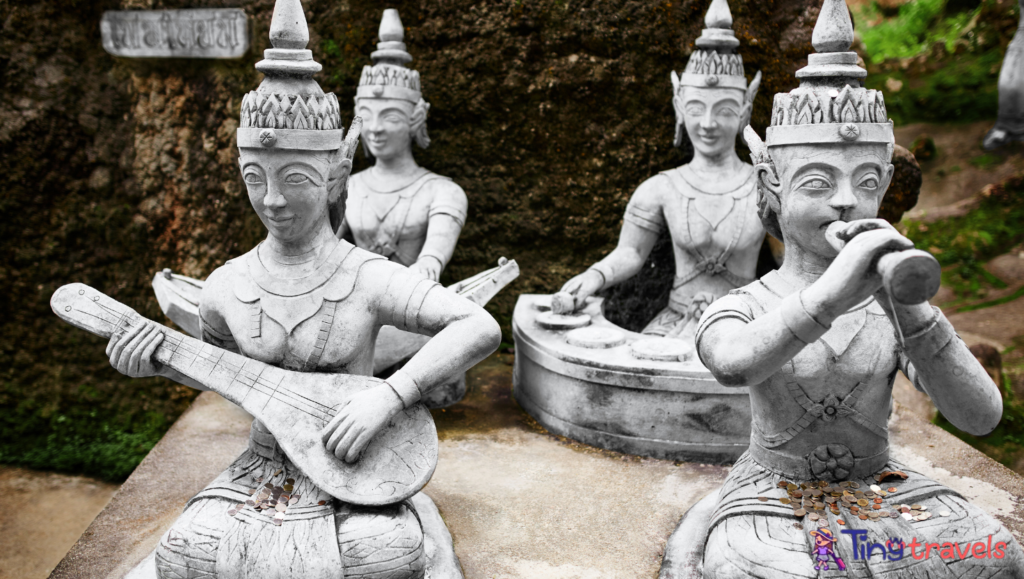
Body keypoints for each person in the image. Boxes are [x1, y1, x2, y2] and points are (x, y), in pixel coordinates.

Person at [105, 1, 499, 576]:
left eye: (296, 179)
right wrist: (158, 364)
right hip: (262, 468)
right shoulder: (225, 285)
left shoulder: (365, 275)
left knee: (388, 555)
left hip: (354, 467)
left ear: (336, 172)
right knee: (182, 553)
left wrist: (390, 396)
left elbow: (479, 325)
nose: (274, 201)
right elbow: (229, 374)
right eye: (255, 178)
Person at [664, 1, 1024, 576]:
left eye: (865, 182)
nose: (844, 202)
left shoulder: (893, 306)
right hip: (775, 496)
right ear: (773, 186)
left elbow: (981, 417)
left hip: (883, 485)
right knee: (761, 571)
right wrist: (829, 296)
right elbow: (733, 364)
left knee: (996, 555)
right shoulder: (749, 304)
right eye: (817, 181)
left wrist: (911, 308)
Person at [554, 0, 763, 343]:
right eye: (696, 109)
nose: (708, 124)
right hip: (675, 324)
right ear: (679, 108)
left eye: (724, 111)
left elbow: (794, 263)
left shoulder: (765, 187)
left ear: (744, 111)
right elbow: (631, 253)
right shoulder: (662, 188)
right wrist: (594, 276)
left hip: (747, 324)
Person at [337, 9, 467, 283]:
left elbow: (432, 259)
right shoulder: (347, 187)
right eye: (367, 116)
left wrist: (426, 267)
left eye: (390, 116)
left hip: (415, 305)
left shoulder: (443, 192)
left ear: (415, 119)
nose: (375, 128)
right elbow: (321, 252)